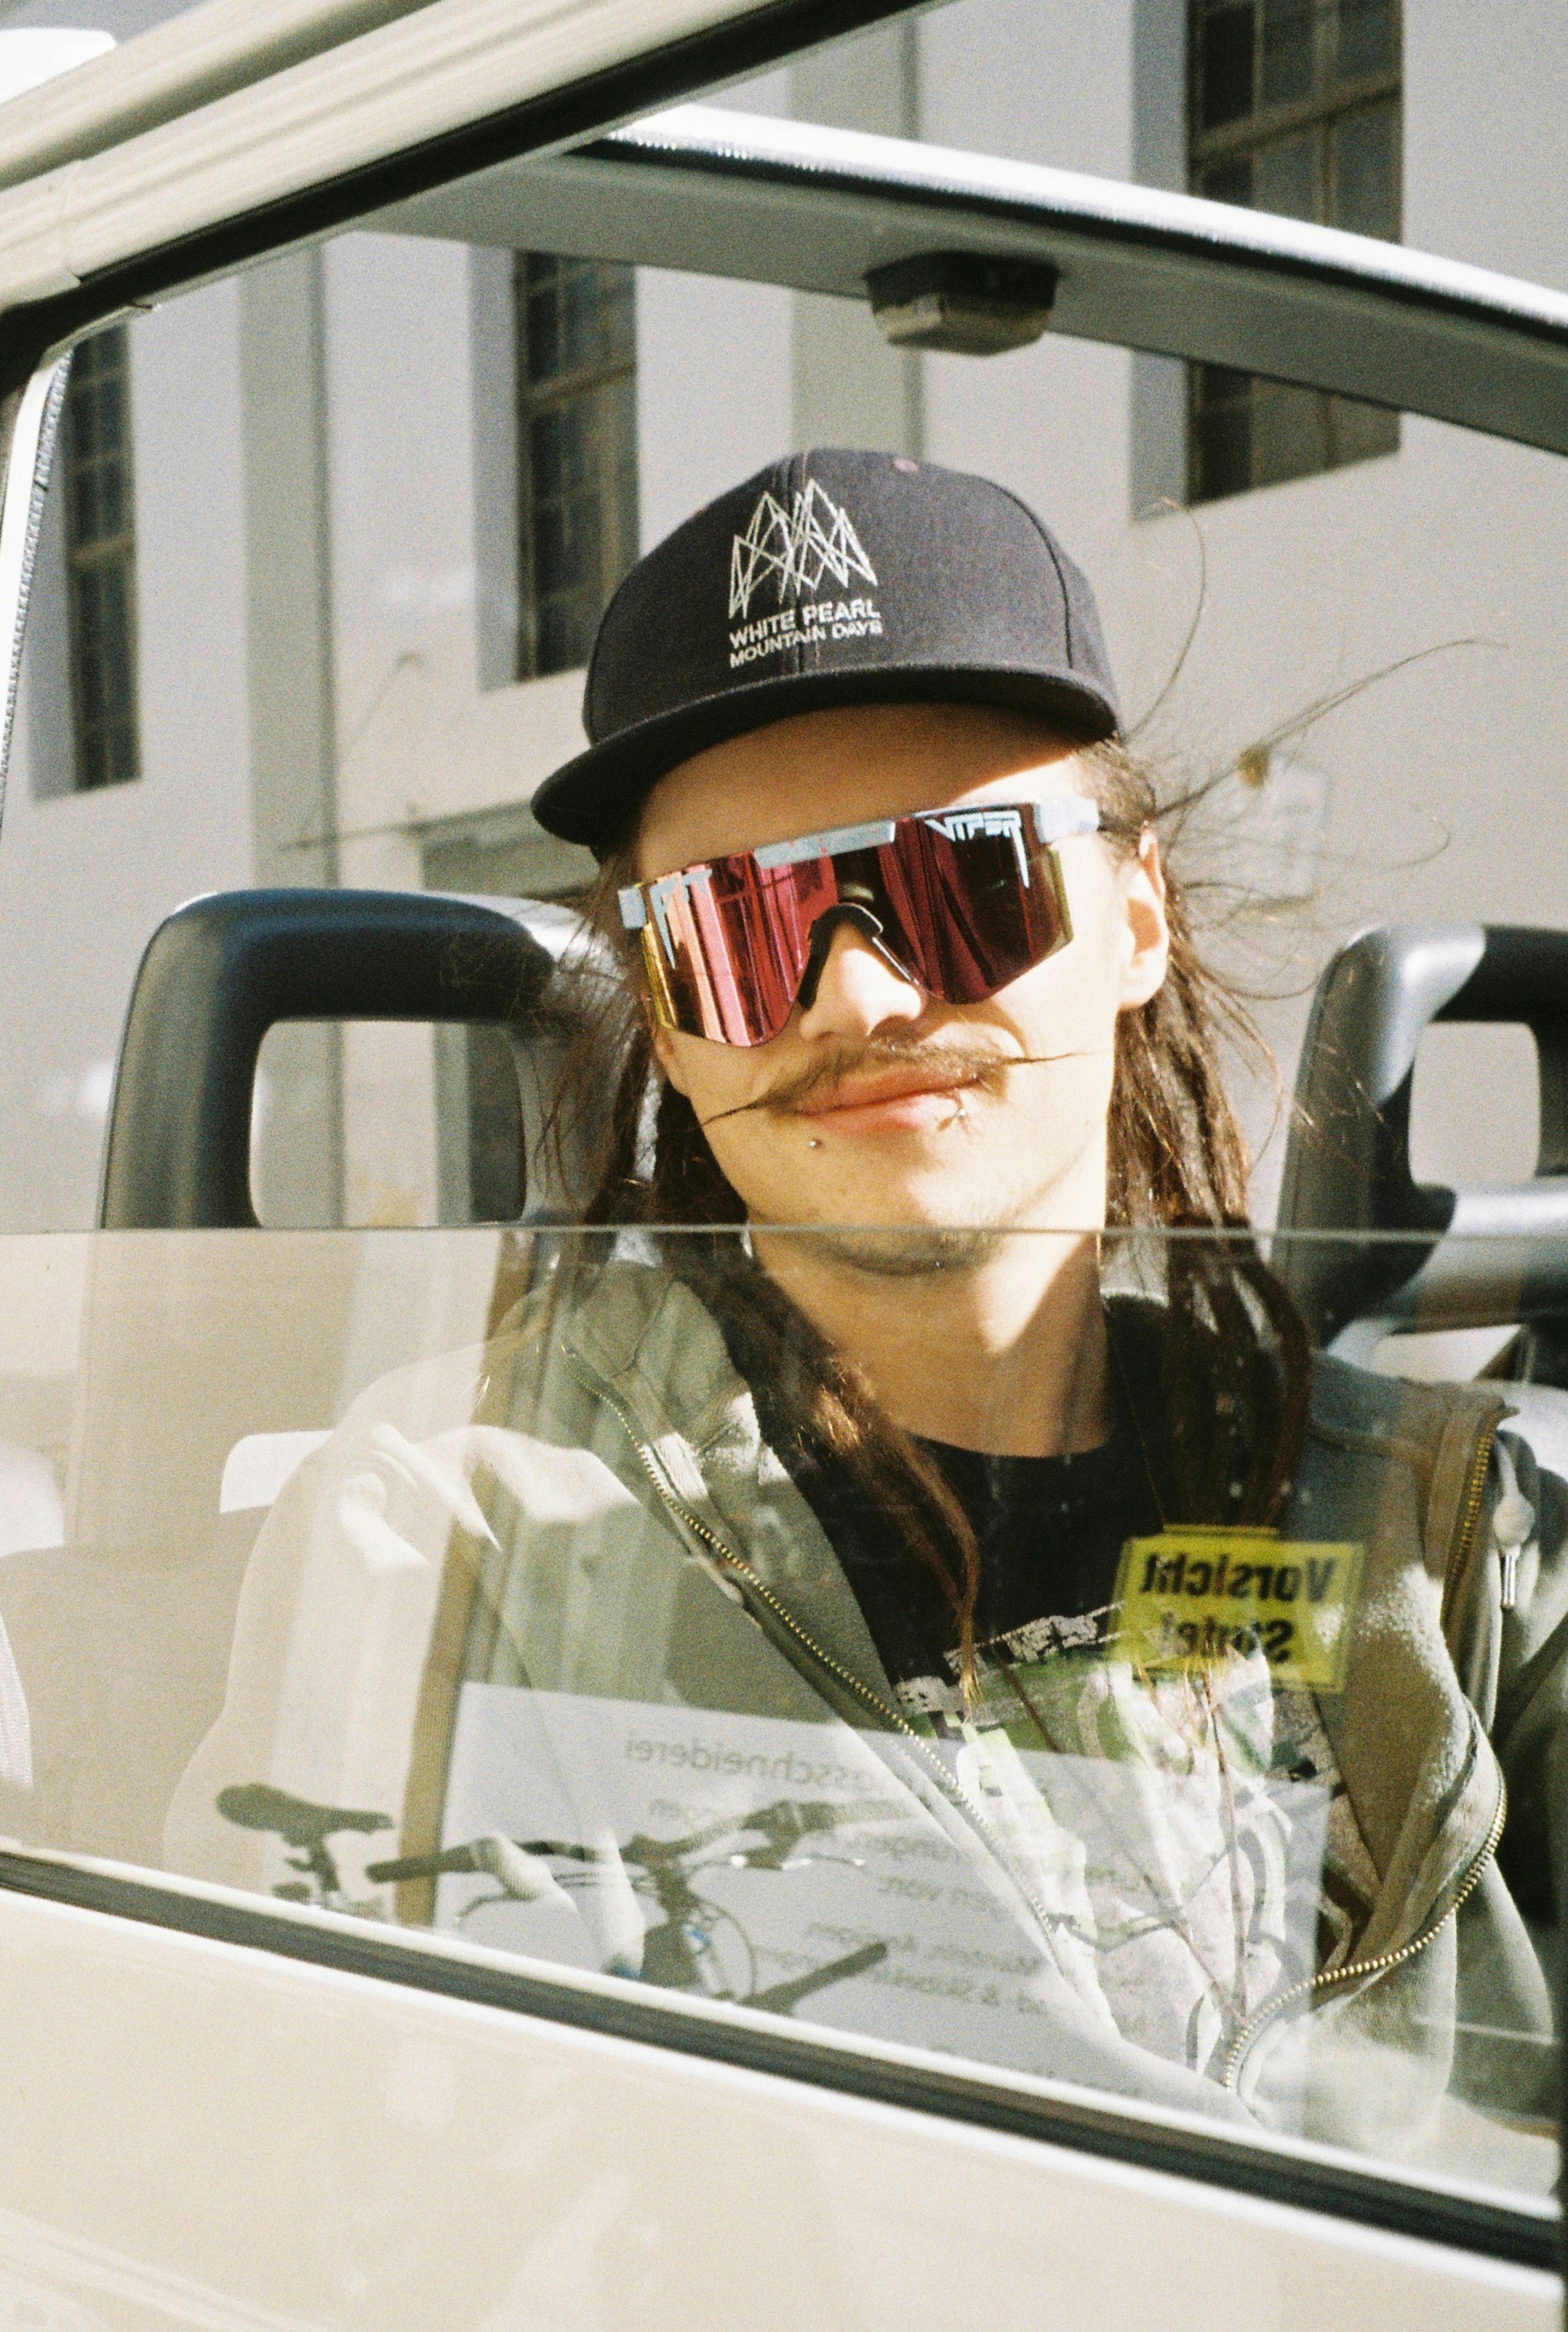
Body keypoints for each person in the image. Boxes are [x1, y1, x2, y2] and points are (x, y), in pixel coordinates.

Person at [167, 451, 1563, 2177]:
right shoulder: (465, 1548)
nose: (861, 991)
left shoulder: (1457, 1538)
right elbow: (347, 2185)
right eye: (741, 929)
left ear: (1134, 918)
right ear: (672, 1027)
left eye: (959, 881)